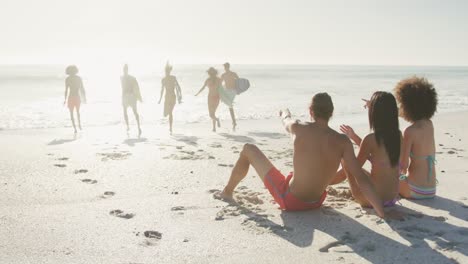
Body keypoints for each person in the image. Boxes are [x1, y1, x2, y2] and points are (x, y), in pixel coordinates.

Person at [215, 93, 384, 217]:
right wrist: (382, 213)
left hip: (291, 201)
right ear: (331, 112)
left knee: (248, 149)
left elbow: (286, 120)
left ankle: (227, 192)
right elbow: (360, 177)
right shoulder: (343, 141)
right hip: (317, 201)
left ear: (311, 111)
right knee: (295, 174)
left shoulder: (298, 128)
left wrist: (284, 113)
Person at [332, 92, 401, 208]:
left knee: (346, 161)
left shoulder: (370, 139)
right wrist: (353, 136)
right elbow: (375, 154)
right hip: (391, 199)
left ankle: (324, 182)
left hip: (371, 201)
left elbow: (354, 167)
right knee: (364, 171)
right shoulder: (398, 136)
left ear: (373, 114)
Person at [395, 77, 438, 199]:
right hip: (431, 190)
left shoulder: (410, 132)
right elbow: (406, 112)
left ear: (407, 106)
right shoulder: (429, 124)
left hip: (413, 190)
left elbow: (403, 166)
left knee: (387, 174)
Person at [195, 67, 221, 132]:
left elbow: (222, 89)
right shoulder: (212, 80)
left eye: (210, 73)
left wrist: (197, 93)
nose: (210, 74)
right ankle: (214, 127)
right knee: (212, 114)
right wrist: (197, 93)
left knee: (211, 114)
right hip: (213, 98)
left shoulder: (215, 80)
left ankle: (216, 121)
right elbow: (203, 88)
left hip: (214, 98)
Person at [159, 62, 182, 135]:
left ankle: (170, 128)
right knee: (166, 114)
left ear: (169, 71)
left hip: (171, 96)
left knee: (170, 112)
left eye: (168, 71)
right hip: (168, 97)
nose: (167, 72)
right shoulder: (164, 79)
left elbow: (178, 87)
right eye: (166, 71)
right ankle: (170, 127)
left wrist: (179, 96)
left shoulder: (172, 78)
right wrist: (160, 99)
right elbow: (162, 89)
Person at [121, 64, 142, 137]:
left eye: (125, 69)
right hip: (126, 96)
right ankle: (128, 126)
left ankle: (138, 127)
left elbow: (136, 87)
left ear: (127, 70)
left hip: (131, 96)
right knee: (125, 111)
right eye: (124, 69)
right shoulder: (122, 78)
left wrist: (139, 96)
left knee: (134, 112)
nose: (124, 71)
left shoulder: (131, 78)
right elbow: (123, 89)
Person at [64, 65, 86, 133]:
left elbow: (66, 90)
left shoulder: (68, 79)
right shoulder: (78, 78)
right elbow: (82, 89)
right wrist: (84, 97)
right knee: (77, 112)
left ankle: (75, 128)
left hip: (71, 97)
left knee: (72, 113)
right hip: (76, 97)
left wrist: (65, 99)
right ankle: (79, 126)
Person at [220, 62, 239, 130]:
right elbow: (220, 83)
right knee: (229, 105)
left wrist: (238, 90)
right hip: (227, 91)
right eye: (224, 67)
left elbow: (239, 81)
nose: (225, 68)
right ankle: (234, 121)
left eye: (225, 67)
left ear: (228, 67)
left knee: (230, 105)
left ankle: (234, 121)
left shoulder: (232, 74)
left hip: (233, 91)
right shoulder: (224, 75)